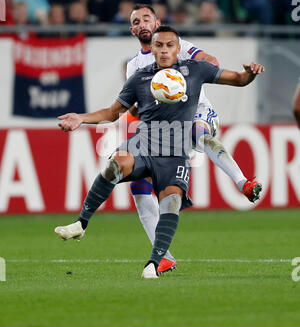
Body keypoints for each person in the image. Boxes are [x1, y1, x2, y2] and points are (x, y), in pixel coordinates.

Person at [54, 25, 265, 279]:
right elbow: (112, 113)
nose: (164, 50)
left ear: (178, 48)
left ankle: (154, 263)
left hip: (175, 152)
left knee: (171, 202)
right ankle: (81, 223)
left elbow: (239, 80)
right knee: (116, 163)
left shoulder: (196, 70)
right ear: (151, 49)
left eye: (169, 46)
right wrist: (81, 118)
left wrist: (250, 74)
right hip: (144, 144)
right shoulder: (140, 77)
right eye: (159, 46)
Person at [124, 4, 262, 273]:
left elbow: (211, 61)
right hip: (164, 131)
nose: (142, 23)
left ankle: (243, 183)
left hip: (197, 114)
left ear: (157, 22)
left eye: (146, 18)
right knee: (139, 188)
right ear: (132, 30)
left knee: (199, 132)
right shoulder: (134, 66)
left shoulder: (178, 45)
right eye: (136, 21)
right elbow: (132, 106)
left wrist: (187, 77)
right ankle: (164, 256)